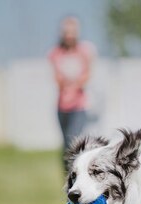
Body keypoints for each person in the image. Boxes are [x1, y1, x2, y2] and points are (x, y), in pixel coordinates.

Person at [48, 16, 95, 161]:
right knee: (65, 146)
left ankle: (76, 173)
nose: (69, 35)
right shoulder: (55, 53)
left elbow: (86, 76)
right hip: (62, 107)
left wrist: (73, 84)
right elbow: (58, 79)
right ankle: (67, 175)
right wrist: (71, 83)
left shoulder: (84, 52)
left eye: (72, 32)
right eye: (66, 32)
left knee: (72, 142)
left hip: (78, 106)